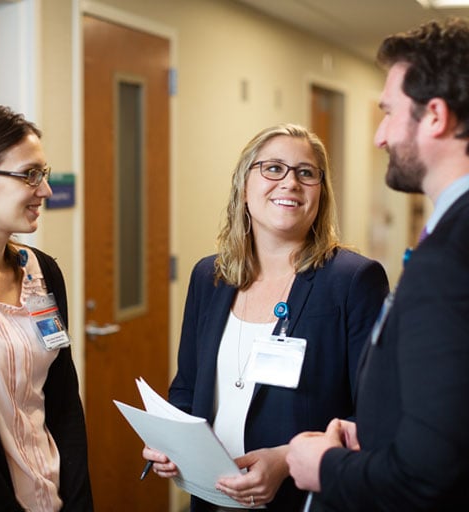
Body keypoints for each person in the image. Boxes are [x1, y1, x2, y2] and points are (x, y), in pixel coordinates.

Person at [142, 123, 389, 511]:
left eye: (306, 173)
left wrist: (287, 459)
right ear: (244, 188)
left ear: (321, 195)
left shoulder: (353, 280)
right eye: (273, 168)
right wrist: (173, 443)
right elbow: (188, 387)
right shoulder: (210, 277)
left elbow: (375, 413)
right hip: (213, 497)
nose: (290, 182)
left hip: (304, 499)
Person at [286, 18, 469, 511]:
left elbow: (428, 474)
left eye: (389, 112)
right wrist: (377, 428)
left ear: (435, 116)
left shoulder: (449, 258)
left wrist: (320, 466)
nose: (379, 135)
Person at [0, 103, 94, 511]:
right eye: (29, 175)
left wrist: (76, 499)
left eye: (44, 175)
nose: (46, 191)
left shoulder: (42, 272)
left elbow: (64, 399)